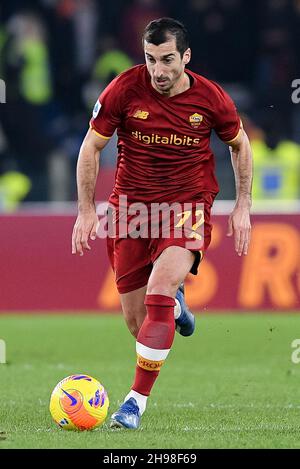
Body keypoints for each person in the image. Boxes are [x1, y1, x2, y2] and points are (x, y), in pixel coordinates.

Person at [72, 17, 253, 429]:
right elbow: (91, 146)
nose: (159, 70)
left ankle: (135, 403)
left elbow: (240, 146)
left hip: (187, 206)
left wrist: (243, 205)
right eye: (151, 59)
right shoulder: (123, 88)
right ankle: (175, 306)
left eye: (168, 59)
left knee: (159, 290)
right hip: (131, 210)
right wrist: (86, 210)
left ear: (186, 57)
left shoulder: (211, 98)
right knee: (139, 325)